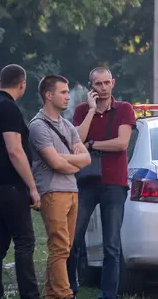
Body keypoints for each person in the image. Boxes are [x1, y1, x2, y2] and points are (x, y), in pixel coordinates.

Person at [67, 67, 136, 299]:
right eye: (99, 84)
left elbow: (121, 143)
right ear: (91, 87)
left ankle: (109, 294)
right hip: (86, 181)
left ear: (113, 83)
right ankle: (70, 288)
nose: (104, 88)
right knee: (73, 238)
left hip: (114, 183)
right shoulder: (81, 110)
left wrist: (93, 144)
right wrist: (91, 111)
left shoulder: (124, 109)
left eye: (107, 83)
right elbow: (77, 139)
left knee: (112, 244)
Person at [0, 64, 41, 299]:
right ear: (22, 83)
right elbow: (14, 150)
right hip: (9, 184)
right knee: (24, 241)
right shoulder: (9, 109)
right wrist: (32, 187)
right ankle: (30, 294)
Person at [29, 75, 91, 299]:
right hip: (52, 191)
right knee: (60, 246)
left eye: (67, 92)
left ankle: (52, 294)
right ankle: (65, 294)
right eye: (63, 92)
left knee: (65, 247)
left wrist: (67, 161)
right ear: (48, 95)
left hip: (72, 190)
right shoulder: (38, 126)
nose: (67, 96)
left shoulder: (67, 125)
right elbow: (54, 162)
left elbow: (87, 159)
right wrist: (72, 162)